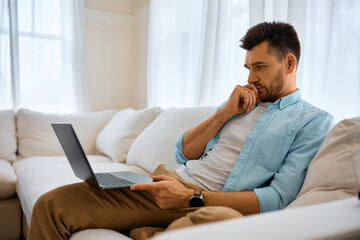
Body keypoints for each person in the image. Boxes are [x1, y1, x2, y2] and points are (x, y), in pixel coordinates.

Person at [28, 21, 334, 240]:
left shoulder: (312, 121)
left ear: (290, 63)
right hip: (167, 182)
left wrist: (191, 198)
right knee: (50, 205)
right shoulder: (239, 102)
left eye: (260, 67)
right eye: (248, 68)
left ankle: (152, 230)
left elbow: (277, 199)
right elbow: (182, 152)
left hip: (205, 202)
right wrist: (225, 112)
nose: (251, 77)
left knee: (222, 220)